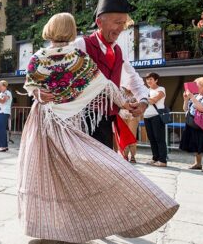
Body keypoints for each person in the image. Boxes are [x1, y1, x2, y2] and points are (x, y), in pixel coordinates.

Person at [18, 13, 178, 243]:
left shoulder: (38, 56)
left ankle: (47, 225)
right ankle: (99, 216)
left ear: (49, 29)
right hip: (70, 123)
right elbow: (105, 85)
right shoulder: (78, 57)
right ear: (72, 31)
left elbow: (31, 85)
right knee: (75, 172)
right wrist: (126, 103)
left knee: (43, 173)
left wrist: (38, 93)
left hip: (42, 122)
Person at [38, 0, 149, 150]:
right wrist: (42, 90)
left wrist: (144, 102)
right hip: (82, 121)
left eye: (123, 23)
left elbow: (133, 79)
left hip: (106, 121)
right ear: (99, 22)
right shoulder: (81, 45)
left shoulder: (118, 51)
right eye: (117, 22)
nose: (121, 28)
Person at [179, 77, 203, 172]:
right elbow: (185, 109)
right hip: (194, 123)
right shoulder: (196, 95)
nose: (195, 87)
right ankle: (197, 163)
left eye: (197, 85)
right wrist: (186, 100)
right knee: (195, 143)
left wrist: (192, 97)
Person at [144, 72, 168, 167]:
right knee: (152, 139)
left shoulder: (161, 89)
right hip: (146, 116)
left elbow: (154, 100)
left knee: (159, 138)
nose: (148, 81)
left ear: (156, 80)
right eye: (147, 79)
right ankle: (155, 158)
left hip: (157, 116)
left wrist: (143, 98)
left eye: (151, 79)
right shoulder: (145, 90)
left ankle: (162, 160)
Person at [0, 80, 12, 152]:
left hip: (3, 112)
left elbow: (3, 101)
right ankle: (4, 145)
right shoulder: (1, 93)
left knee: (1, 129)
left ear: (4, 85)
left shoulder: (7, 93)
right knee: (0, 129)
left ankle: (2, 146)